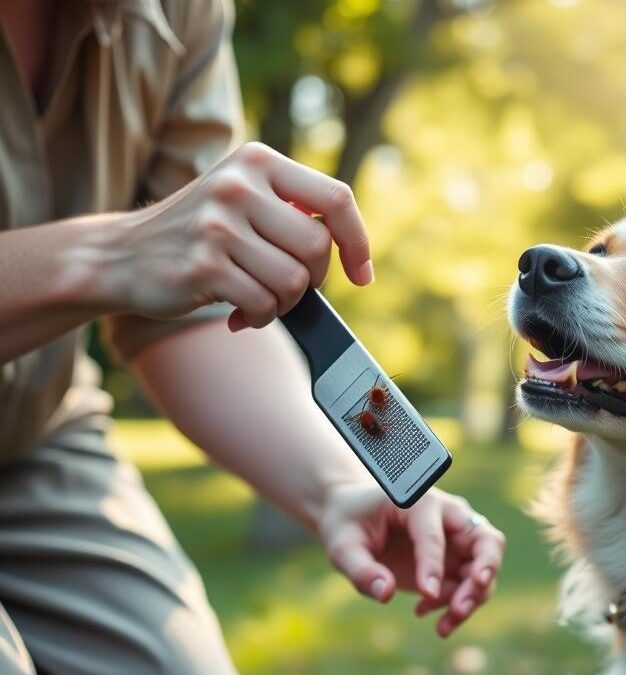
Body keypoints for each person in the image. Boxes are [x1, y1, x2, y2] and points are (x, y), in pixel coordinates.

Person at [0, 0, 505, 673]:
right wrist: (111, 255)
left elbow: (191, 310)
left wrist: (330, 486)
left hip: (33, 438)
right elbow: (146, 259)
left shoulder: (180, 14)